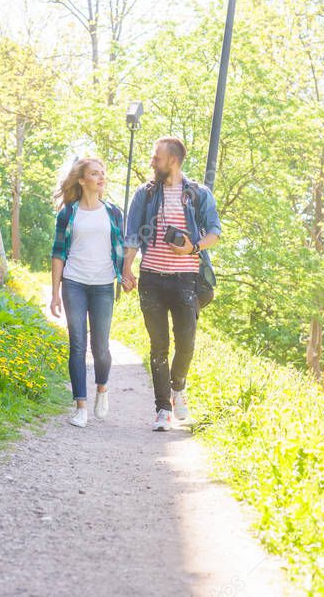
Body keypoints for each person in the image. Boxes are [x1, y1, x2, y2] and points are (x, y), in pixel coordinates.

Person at [122, 137, 221, 431]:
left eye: (157, 158)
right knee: (158, 345)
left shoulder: (198, 194)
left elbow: (215, 231)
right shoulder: (146, 194)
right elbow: (132, 235)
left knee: (187, 343)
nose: (153, 162)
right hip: (151, 279)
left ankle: (178, 387)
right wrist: (127, 269)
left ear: (173, 161)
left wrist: (193, 247)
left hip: (186, 280)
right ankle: (162, 409)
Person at [50, 158, 125, 428]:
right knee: (78, 344)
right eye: (95, 173)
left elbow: (122, 248)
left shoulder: (113, 212)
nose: (101, 177)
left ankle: (102, 388)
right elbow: (58, 254)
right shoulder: (69, 214)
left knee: (101, 348)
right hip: (74, 283)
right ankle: (80, 405)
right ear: (82, 180)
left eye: (103, 173)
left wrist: (126, 275)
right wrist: (55, 292)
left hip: (104, 285)